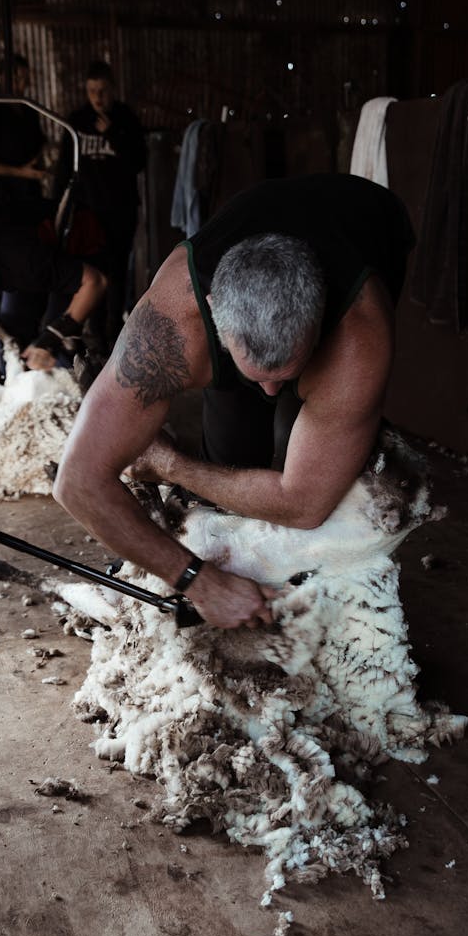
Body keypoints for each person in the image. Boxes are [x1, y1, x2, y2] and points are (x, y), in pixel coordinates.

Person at [54, 174, 415, 631]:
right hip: (251, 258)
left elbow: (304, 503)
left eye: (285, 375)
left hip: (369, 221)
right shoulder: (168, 328)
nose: (268, 392)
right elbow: (77, 482)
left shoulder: (358, 336)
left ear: (320, 322)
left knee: (304, 476)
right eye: (256, 376)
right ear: (211, 313)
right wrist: (199, 581)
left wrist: (169, 463)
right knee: (230, 456)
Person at [0, 199, 107, 399]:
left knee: (58, 352)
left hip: (78, 241)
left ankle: (76, 407)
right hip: (22, 258)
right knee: (11, 338)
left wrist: (51, 337)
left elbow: (95, 282)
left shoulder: (23, 262)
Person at [54, 60, 146, 353]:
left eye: (103, 91)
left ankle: (115, 334)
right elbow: (64, 169)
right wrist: (57, 208)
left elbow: (139, 163)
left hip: (121, 211)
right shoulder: (77, 121)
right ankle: (93, 333)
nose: (98, 97)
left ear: (113, 89)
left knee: (118, 273)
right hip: (87, 213)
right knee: (92, 273)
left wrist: (114, 136)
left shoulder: (126, 120)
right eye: (92, 91)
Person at [0, 54, 48, 207]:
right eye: (17, 79)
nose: (22, 85)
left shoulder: (29, 109)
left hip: (30, 194)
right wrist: (19, 172)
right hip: (1, 198)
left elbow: (39, 146)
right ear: (2, 78)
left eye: (24, 79)